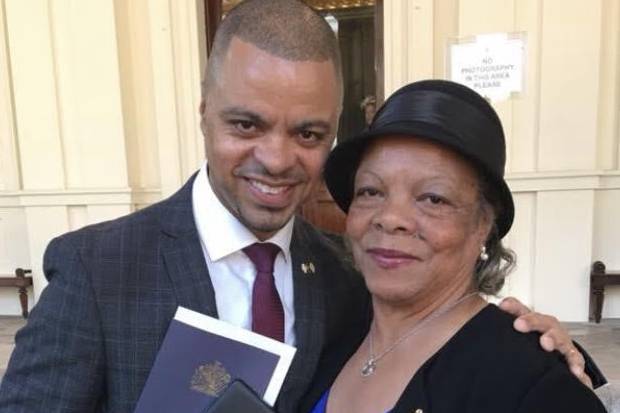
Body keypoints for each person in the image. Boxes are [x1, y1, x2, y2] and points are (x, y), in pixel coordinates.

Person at [0, 1, 602, 412]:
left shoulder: (345, 277)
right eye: (245, 123)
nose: (278, 158)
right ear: (204, 111)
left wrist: (539, 359)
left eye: (309, 134)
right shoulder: (99, 268)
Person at [301, 80, 606, 413]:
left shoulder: (532, 383)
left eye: (433, 198)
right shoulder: (334, 330)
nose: (390, 218)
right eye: (371, 191)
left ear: (483, 226)